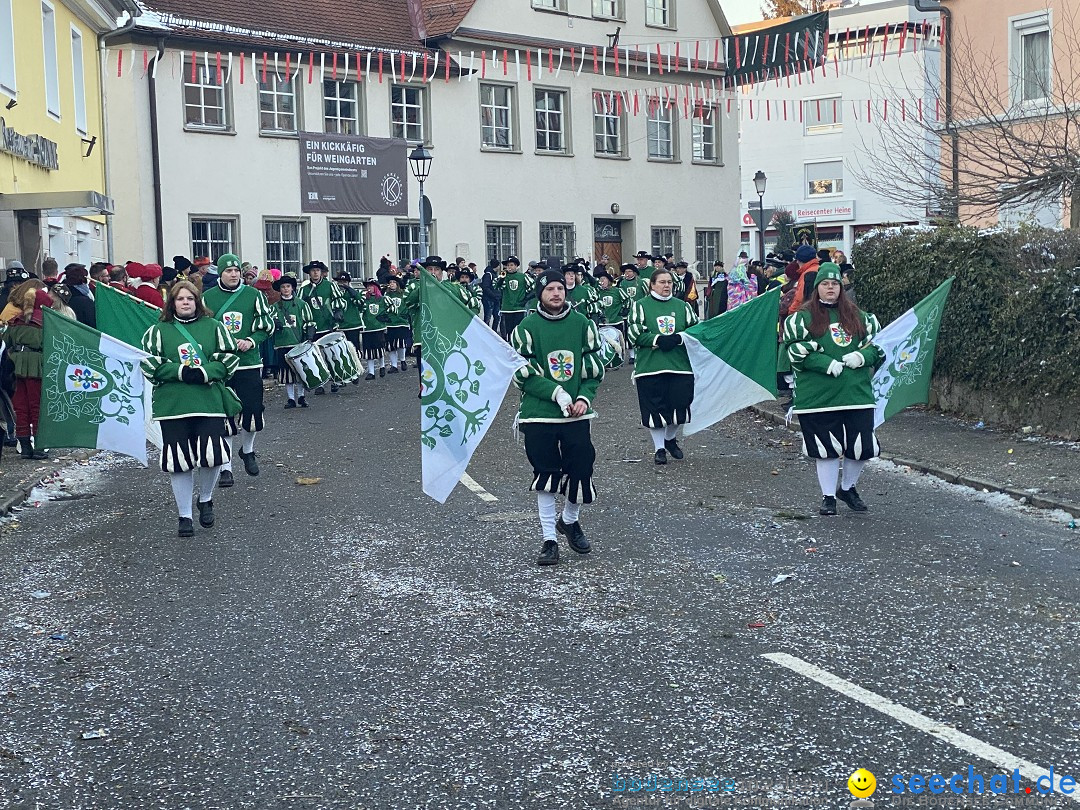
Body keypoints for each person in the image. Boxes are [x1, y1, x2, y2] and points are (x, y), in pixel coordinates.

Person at [510, 269, 606, 566]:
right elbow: (523, 374)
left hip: (576, 414)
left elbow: (593, 370)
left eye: (560, 288)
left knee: (581, 467)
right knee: (546, 473)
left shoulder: (582, 324)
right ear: (540, 292)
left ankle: (570, 520)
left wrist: (582, 398)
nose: (556, 293)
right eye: (550, 288)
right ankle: (549, 539)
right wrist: (558, 394)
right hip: (540, 415)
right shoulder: (525, 328)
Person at [783, 263, 885, 516]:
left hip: (855, 393)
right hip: (818, 395)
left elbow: (879, 346)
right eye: (826, 284)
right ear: (817, 288)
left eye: (835, 284)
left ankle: (848, 488)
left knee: (861, 446)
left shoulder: (861, 317)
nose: (831, 288)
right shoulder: (801, 318)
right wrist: (824, 363)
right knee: (825, 447)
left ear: (841, 287)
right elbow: (795, 350)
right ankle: (828, 496)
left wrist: (863, 357)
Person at [141, 281, 240, 537]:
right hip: (173, 405)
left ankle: (205, 498)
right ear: (171, 303)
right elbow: (150, 365)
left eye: (190, 298)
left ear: (197, 301)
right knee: (179, 461)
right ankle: (184, 515)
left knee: (211, 455)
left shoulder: (215, 327)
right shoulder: (157, 331)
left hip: (209, 402)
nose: (185, 302)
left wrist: (206, 372)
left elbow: (229, 358)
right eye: (180, 299)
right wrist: (182, 371)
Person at [203, 254, 275, 488]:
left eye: (236, 270)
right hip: (221, 366)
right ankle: (226, 467)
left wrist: (251, 341)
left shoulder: (253, 295)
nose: (233, 274)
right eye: (228, 271)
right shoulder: (207, 298)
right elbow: (201, 330)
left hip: (248, 362)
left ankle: (248, 450)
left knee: (252, 410)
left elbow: (266, 325)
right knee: (224, 415)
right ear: (220, 273)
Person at [627, 268, 699, 465]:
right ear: (652, 284)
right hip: (651, 367)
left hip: (679, 366)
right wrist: (658, 339)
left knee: (680, 406)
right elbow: (634, 333)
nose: (667, 285)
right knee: (655, 409)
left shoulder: (683, 306)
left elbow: (696, 331)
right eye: (662, 282)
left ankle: (669, 439)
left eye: (669, 282)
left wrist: (679, 338)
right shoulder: (640, 306)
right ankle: (659, 448)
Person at [3, 287, 53, 459]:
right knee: (37, 406)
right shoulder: (46, 321)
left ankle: (25, 447)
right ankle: (40, 447)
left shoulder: (15, 320)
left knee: (20, 408)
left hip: (15, 366)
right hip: (36, 366)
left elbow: (6, 342)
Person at [299, 261, 345, 393]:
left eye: (317, 270)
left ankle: (335, 379)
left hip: (328, 325)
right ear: (309, 273)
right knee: (316, 357)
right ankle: (320, 383)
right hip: (313, 327)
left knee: (331, 355)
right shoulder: (304, 290)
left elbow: (338, 300)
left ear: (321, 272)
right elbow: (299, 307)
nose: (315, 273)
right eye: (313, 271)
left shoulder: (330, 286)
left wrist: (338, 311)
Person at [270, 274, 315, 408]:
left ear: (292, 288)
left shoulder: (302, 304)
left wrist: (309, 336)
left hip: (299, 343)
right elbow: (269, 323)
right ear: (280, 289)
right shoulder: (274, 307)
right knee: (286, 373)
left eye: (288, 286)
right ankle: (290, 399)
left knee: (300, 371)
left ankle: (301, 396)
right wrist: (274, 323)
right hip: (282, 343)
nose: (285, 289)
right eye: (283, 287)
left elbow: (309, 321)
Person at [360, 278, 390, 379]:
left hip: (378, 327)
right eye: (368, 286)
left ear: (376, 287)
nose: (369, 288)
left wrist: (385, 317)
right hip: (367, 328)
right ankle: (371, 372)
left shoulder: (381, 299)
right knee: (368, 351)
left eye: (371, 286)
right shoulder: (364, 299)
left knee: (379, 348)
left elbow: (390, 309)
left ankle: (382, 366)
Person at [497, 256, 530, 340]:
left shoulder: (523, 276)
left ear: (516, 266)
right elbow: (496, 286)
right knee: (508, 329)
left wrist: (525, 299)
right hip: (507, 308)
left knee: (517, 328)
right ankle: (510, 343)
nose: (509, 267)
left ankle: (517, 343)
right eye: (508, 265)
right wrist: (501, 279)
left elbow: (533, 287)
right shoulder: (503, 276)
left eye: (511, 265)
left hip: (519, 308)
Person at [383, 275, 410, 372]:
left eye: (394, 282)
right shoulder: (386, 295)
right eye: (390, 283)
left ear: (397, 284)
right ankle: (394, 365)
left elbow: (407, 305)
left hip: (401, 322)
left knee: (401, 344)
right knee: (391, 345)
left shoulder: (403, 294)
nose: (392, 284)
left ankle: (402, 360)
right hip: (390, 323)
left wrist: (405, 315)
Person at [480, 259, 502, 331]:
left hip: (495, 299)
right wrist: (494, 295)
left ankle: (494, 332)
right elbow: (486, 287)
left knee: (497, 317)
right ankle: (486, 333)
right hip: (489, 299)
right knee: (488, 318)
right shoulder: (488, 275)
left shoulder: (493, 274)